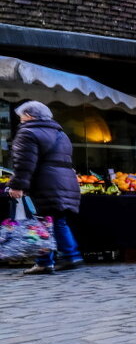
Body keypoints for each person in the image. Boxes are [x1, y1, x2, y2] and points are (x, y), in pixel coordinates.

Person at [5, 101, 83, 274]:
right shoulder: (61, 134)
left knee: (41, 222)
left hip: (43, 183)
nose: (20, 120)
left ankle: (44, 262)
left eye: (22, 116)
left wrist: (17, 185)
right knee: (58, 221)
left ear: (31, 116)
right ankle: (72, 255)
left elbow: (24, 164)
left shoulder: (28, 132)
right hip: (64, 182)